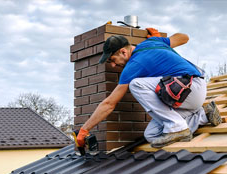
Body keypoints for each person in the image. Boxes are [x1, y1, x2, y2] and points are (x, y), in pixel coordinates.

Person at [76, 28, 222, 149]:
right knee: (152, 135)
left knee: (136, 84)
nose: (113, 65)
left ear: (123, 52)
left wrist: (85, 129)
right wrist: (162, 43)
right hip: (187, 95)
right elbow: (184, 37)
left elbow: (109, 104)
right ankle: (203, 115)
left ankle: (177, 127)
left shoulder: (134, 65)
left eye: (112, 60)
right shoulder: (153, 42)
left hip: (191, 87)